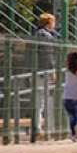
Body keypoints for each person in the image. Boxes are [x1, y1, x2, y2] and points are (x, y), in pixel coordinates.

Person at [31, 12, 59, 141]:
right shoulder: (47, 36)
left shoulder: (34, 34)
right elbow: (48, 55)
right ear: (49, 23)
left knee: (38, 101)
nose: (54, 25)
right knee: (47, 100)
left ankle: (37, 128)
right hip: (44, 73)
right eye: (53, 22)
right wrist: (52, 71)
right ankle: (50, 128)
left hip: (34, 72)